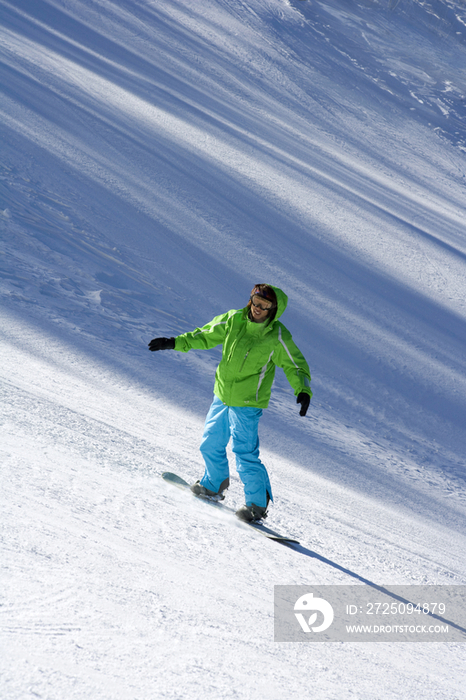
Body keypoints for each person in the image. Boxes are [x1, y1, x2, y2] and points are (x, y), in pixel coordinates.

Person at [148, 284, 312, 522]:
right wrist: (175, 342)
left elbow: (295, 365)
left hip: (247, 403)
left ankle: (256, 505)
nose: (258, 309)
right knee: (210, 442)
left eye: (265, 306)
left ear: (273, 310)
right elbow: (205, 335)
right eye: (256, 303)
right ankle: (213, 484)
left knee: (245, 454)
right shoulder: (234, 319)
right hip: (222, 395)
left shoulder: (276, 336)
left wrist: (303, 390)